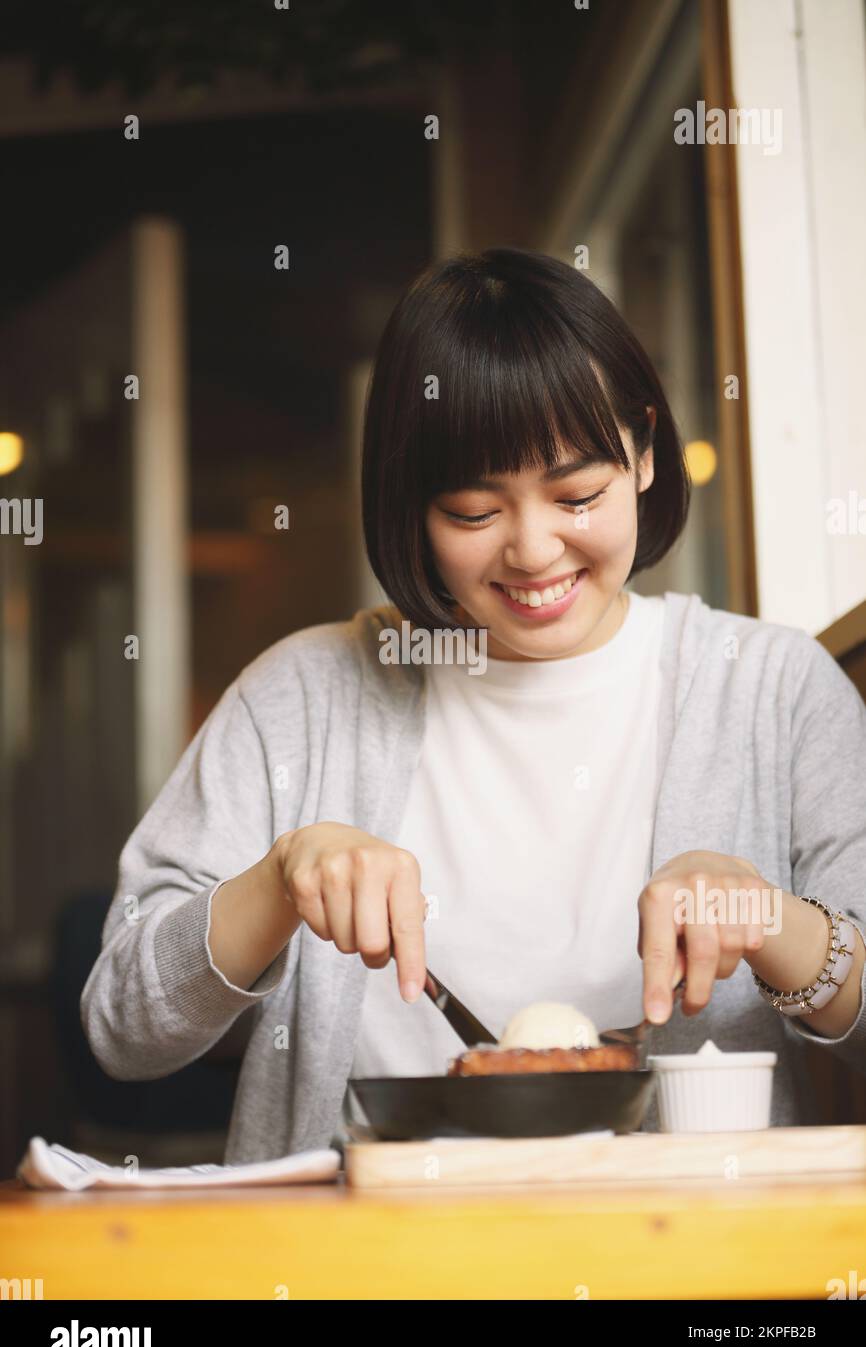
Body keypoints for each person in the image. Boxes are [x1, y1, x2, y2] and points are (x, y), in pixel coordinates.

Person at [81, 248, 866, 1163]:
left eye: (578, 494)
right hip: (365, 1263)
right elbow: (122, 1029)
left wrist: (773, 922)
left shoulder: (771, 685)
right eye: (472, 512)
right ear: (410, 506)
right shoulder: (303, 695)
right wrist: (277, 882)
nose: (534, 552)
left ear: (646, 453)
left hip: (692, 1262)